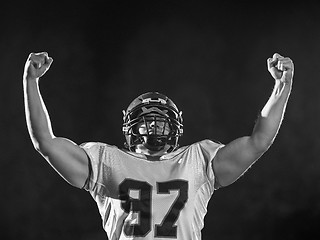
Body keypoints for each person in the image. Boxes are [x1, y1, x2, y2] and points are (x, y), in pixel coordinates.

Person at [23, 52, 294, 240]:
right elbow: (44, 142)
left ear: (175, 128)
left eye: (161, 122)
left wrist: (282, 86)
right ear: (131, 127)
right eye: (147, 121)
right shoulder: (105, 160)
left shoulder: (198, 159)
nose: (154, 127)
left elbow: (259, 141)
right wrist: (31, 81)